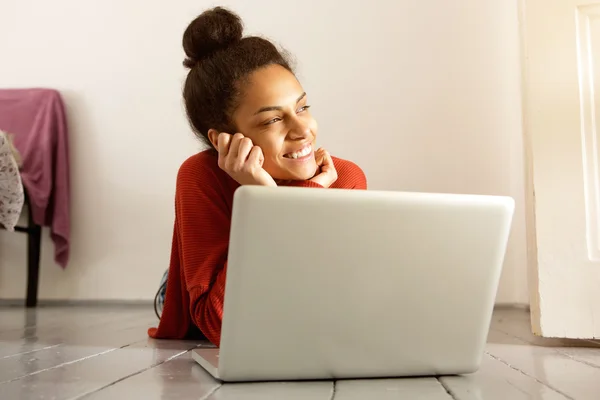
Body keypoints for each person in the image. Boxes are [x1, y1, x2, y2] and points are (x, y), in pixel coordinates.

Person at [148, 7, 367, 347]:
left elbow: (334, 306)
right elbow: (219, 325)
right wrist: (266, 202)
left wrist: (288, 197)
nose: (302, 131)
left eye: (303, 107)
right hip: (207, 281)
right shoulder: (200, 176)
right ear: (224, 140)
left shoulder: (344, 177)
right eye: (271, 121)